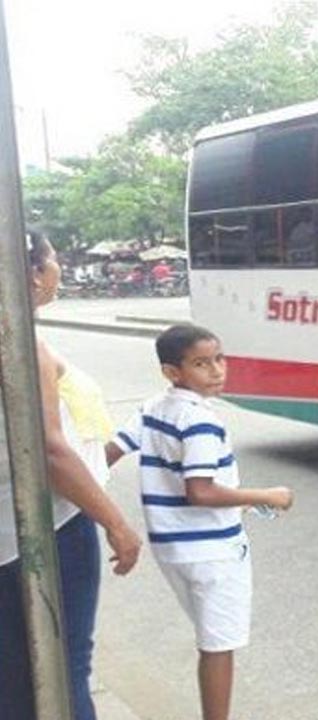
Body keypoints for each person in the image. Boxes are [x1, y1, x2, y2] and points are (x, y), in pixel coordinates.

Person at [106, 324, 294, 720]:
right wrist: (265, 496)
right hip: (212, 551)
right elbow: (201, 492)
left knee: (212, 637)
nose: (216, 371)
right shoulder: (200, 421)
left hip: (172, 548)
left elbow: (109, 453)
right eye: (201, 363)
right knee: (217, 645)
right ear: (173, 372)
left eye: (219, 359)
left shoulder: (153, 407)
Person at [0, 232, 143, 720]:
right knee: (64, 671)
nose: (59, 267)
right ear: (35, 273)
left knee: (15, 679)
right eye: (54, 257)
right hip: (45, 530)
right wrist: (117, 524)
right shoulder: (22, 343)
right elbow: (49, 449)